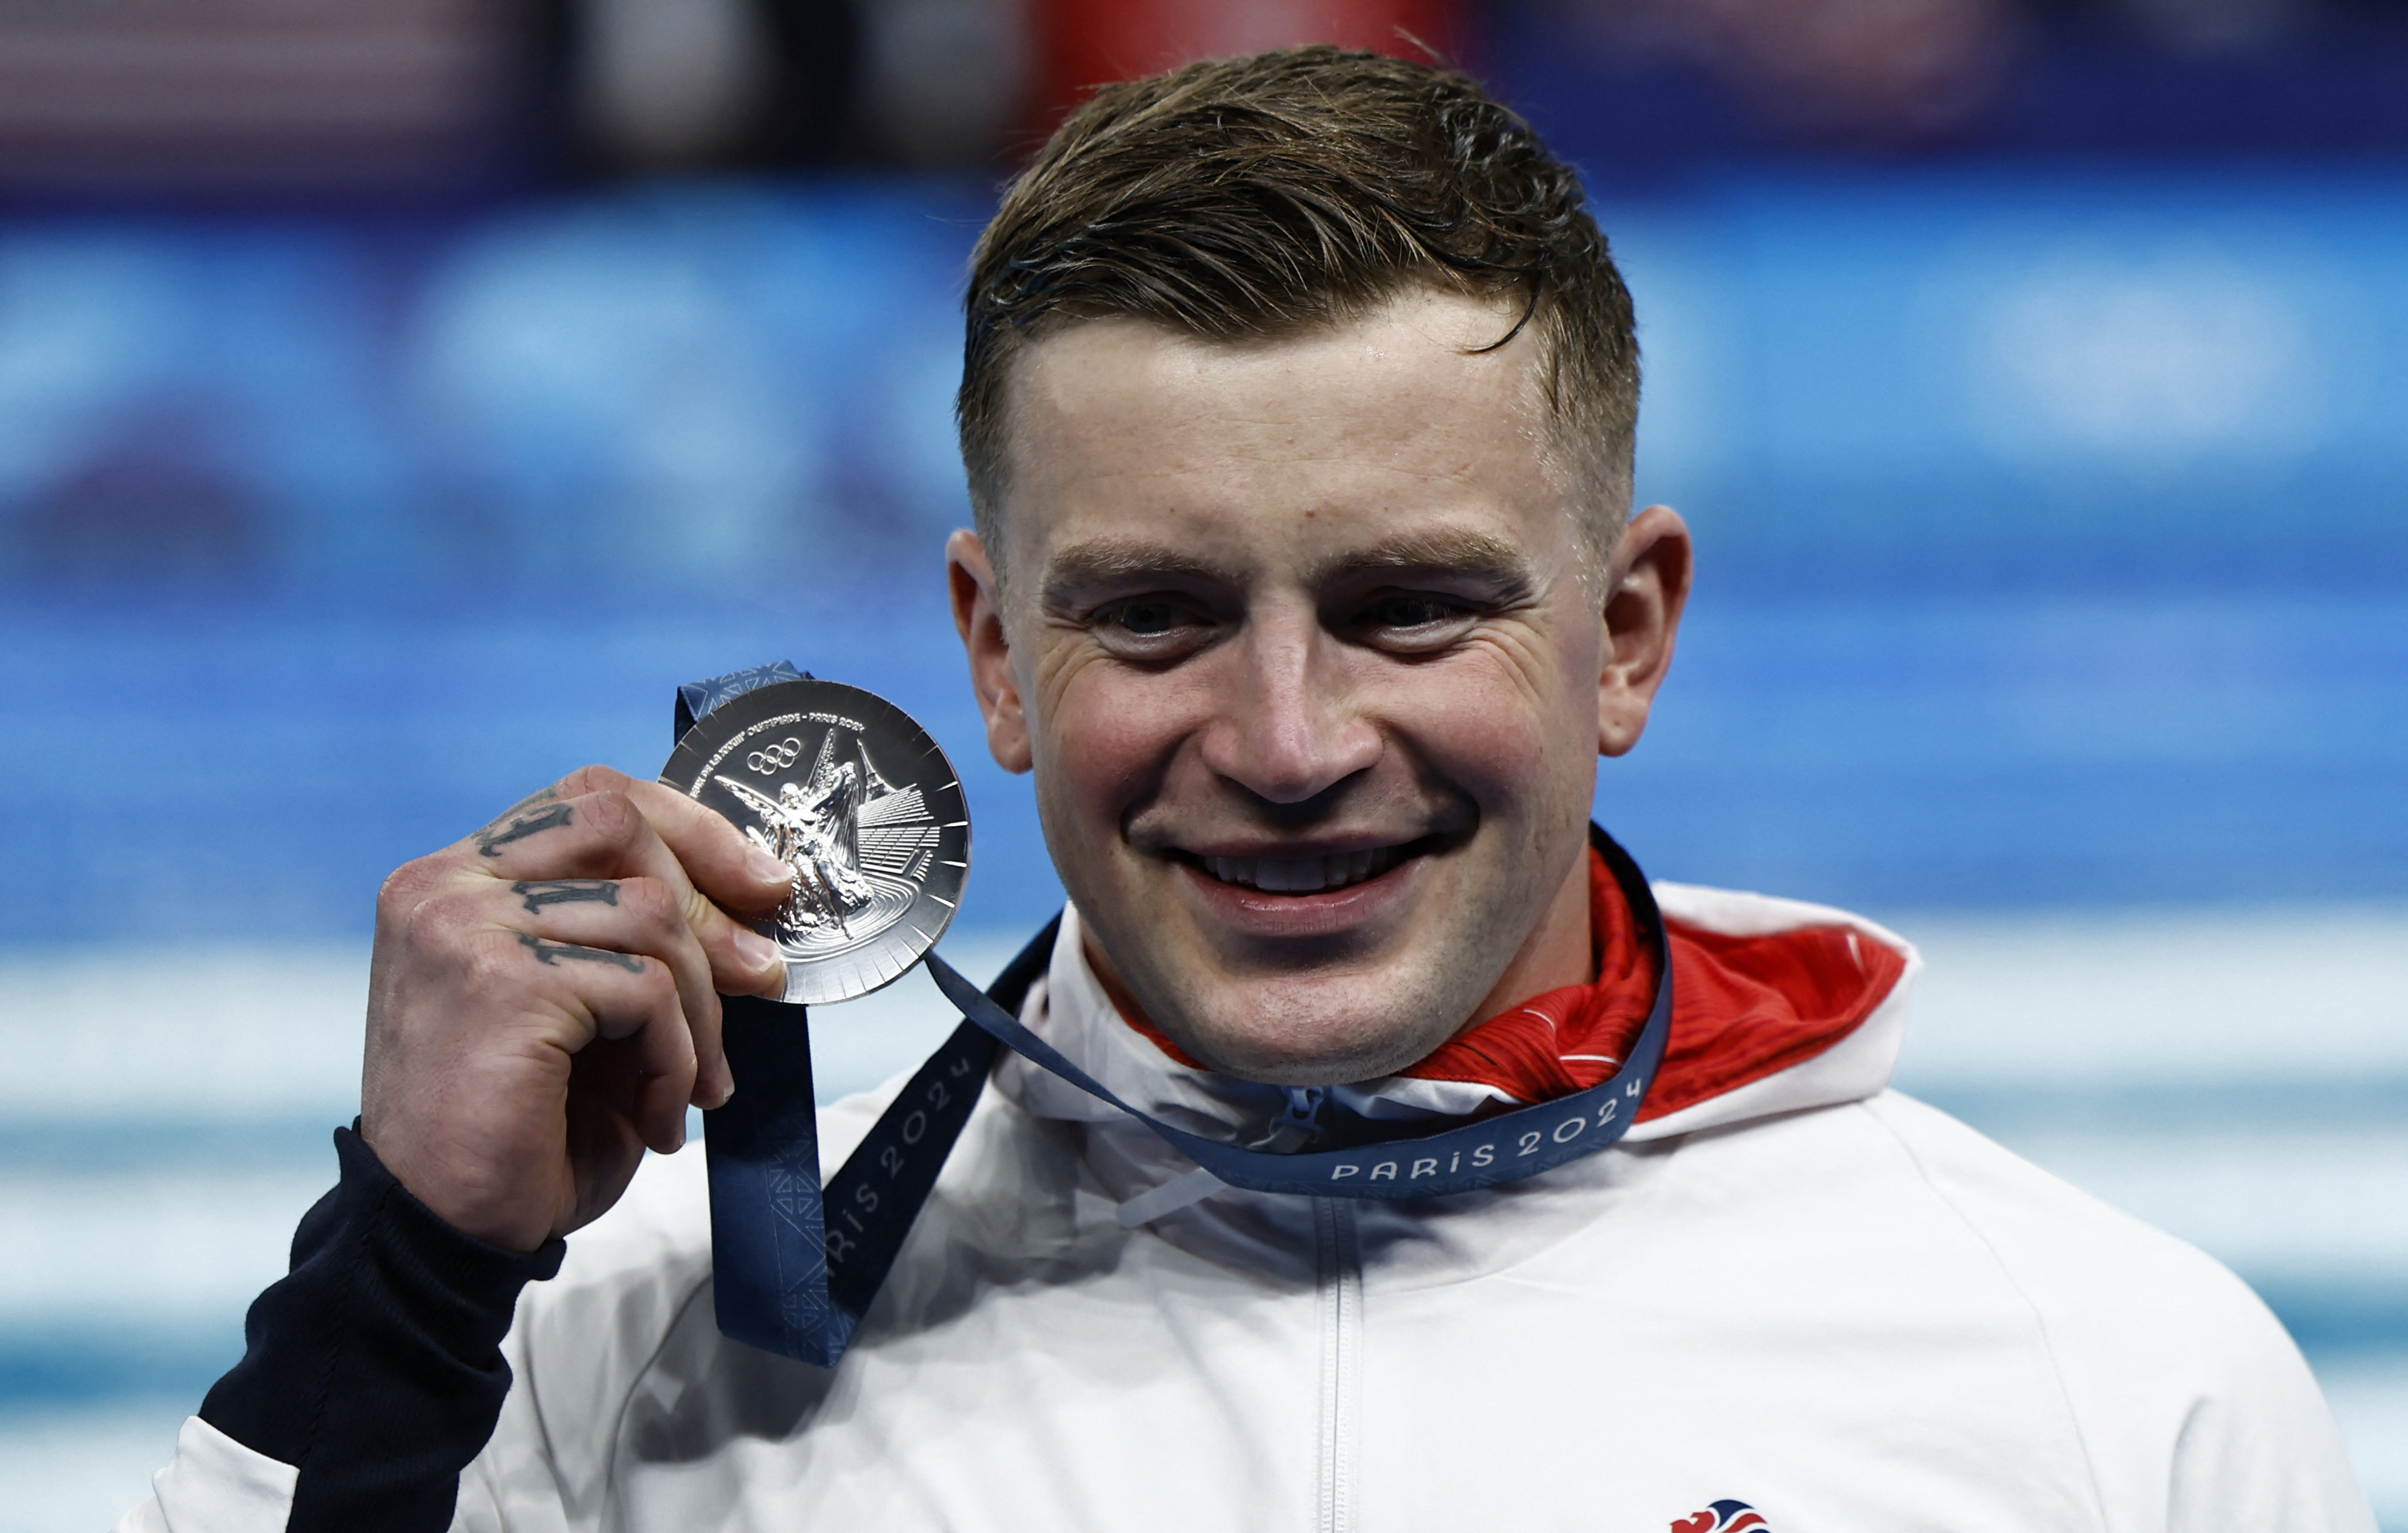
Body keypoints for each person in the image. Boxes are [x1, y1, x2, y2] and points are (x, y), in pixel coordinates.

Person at [120, 46, 2372, 1533]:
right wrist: (400, 1286)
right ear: (998, 655)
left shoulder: (2110, 1387)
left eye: (1408, 608)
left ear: (1628, 636)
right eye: (1161, 616)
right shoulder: (617, 1381)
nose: (1289, 745)